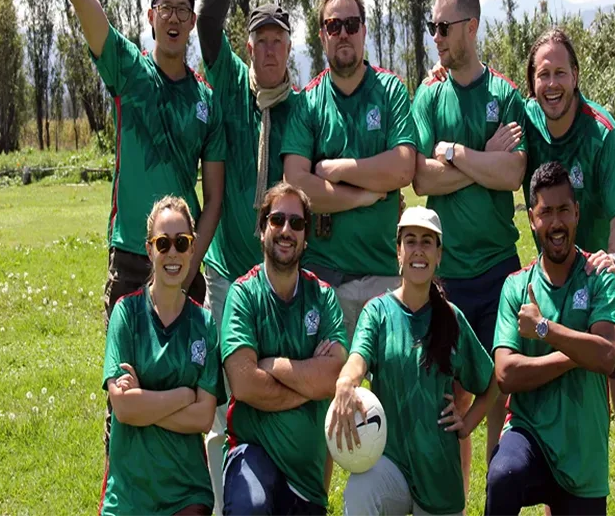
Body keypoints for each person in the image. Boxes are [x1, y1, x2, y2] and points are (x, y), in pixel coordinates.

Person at [30, 0, 226, 319]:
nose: (175, 17)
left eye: (184, 9)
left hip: (185, 254)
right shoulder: (128, 70)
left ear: (193, 22)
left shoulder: (207, 101)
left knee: (188, 383)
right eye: (166, 8)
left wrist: (190, 259)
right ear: (151, 17)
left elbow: (214, 197)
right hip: (132, 258)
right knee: (125, 381)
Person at [523, 28, 615, 516]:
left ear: (575, 77)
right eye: (543, 74)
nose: (552, 83)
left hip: (608, 287)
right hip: (555, 289)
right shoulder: (527, 122)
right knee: (565, 411)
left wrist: (614, 258)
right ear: (532, 83)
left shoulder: (603, 132)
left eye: (560, 72)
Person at [411, 0, 527, 488]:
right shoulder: (430, 94)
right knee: (452, 400)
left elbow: (513, 174)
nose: (436, 36)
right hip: (448, 276)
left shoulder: (505, 95)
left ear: (472, 26)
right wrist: (485, 155)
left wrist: (457, 153)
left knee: (498, 392)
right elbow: (420, 178)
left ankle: (496, 494)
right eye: (432, 27)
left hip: (499, 271)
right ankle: (454, 501)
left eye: (443, 26)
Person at [195, 0, 296, 509]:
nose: (267, 49)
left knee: (272, 385)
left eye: (277, 40)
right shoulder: (232, 83)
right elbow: (207, 22)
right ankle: (216, 496)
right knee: (220, 391)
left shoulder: (303, 108)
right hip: (228, 267)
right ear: (248, 44)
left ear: (289, 47)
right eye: (258, 38)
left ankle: (278, 487)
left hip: (279, 277)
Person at [328, 206, 498, 516]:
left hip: (438, 472)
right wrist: (345, 382)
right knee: (360, 491)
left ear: (438, 254)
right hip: (389, 461)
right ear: (398, 252)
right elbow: (357, 359)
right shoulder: (377, 311)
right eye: (410, 241)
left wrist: (467, 423)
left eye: (427, 242)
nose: (418, 250)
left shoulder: (452, 319)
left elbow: (492, 381)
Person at [487, 161, 615, 516]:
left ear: (577, 213)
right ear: (532, 219)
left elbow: (607, 355)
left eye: (564, 210)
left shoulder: (600, 279)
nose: (556, 223)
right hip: (528, 434)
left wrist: (545, 329)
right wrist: (578, 350)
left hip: (583, 455)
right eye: (545, 212)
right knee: (503, 476)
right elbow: (506, 374)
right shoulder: (516, 286)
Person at [282, 0, 417, 339]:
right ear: (322, 36)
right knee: (327, 388)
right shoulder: (307, 101)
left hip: (386, 274)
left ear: (365, 31)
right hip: (324, 276)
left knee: (392, 392)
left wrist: (333, 170)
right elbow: (296, 184)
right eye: (333, 25)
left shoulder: (390, 91)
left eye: (352, 24)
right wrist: (365, 195)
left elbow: (403, 166)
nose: (344, 33)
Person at [221, 181, 348, 515]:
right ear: (262, 228)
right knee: (251, 507)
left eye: (297, 223)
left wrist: (273, 365)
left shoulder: (323, 297)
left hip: (307, 477)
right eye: (277, 220)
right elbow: (244, 383)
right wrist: (311, 384)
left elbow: (335, 374)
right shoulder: (243, 294)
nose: (286, 230)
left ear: (306, 236)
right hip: (252, 452)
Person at [101, 196, 222, 516]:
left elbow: (203, 418)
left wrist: (145, 399)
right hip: (129, 494)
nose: (172, 253)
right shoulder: (126, 314)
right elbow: (123, 408)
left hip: (186, 492)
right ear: (149, 249)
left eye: (181, 243)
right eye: (163, 243)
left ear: (193, 248)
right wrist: (184, 395)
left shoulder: (204, 324)